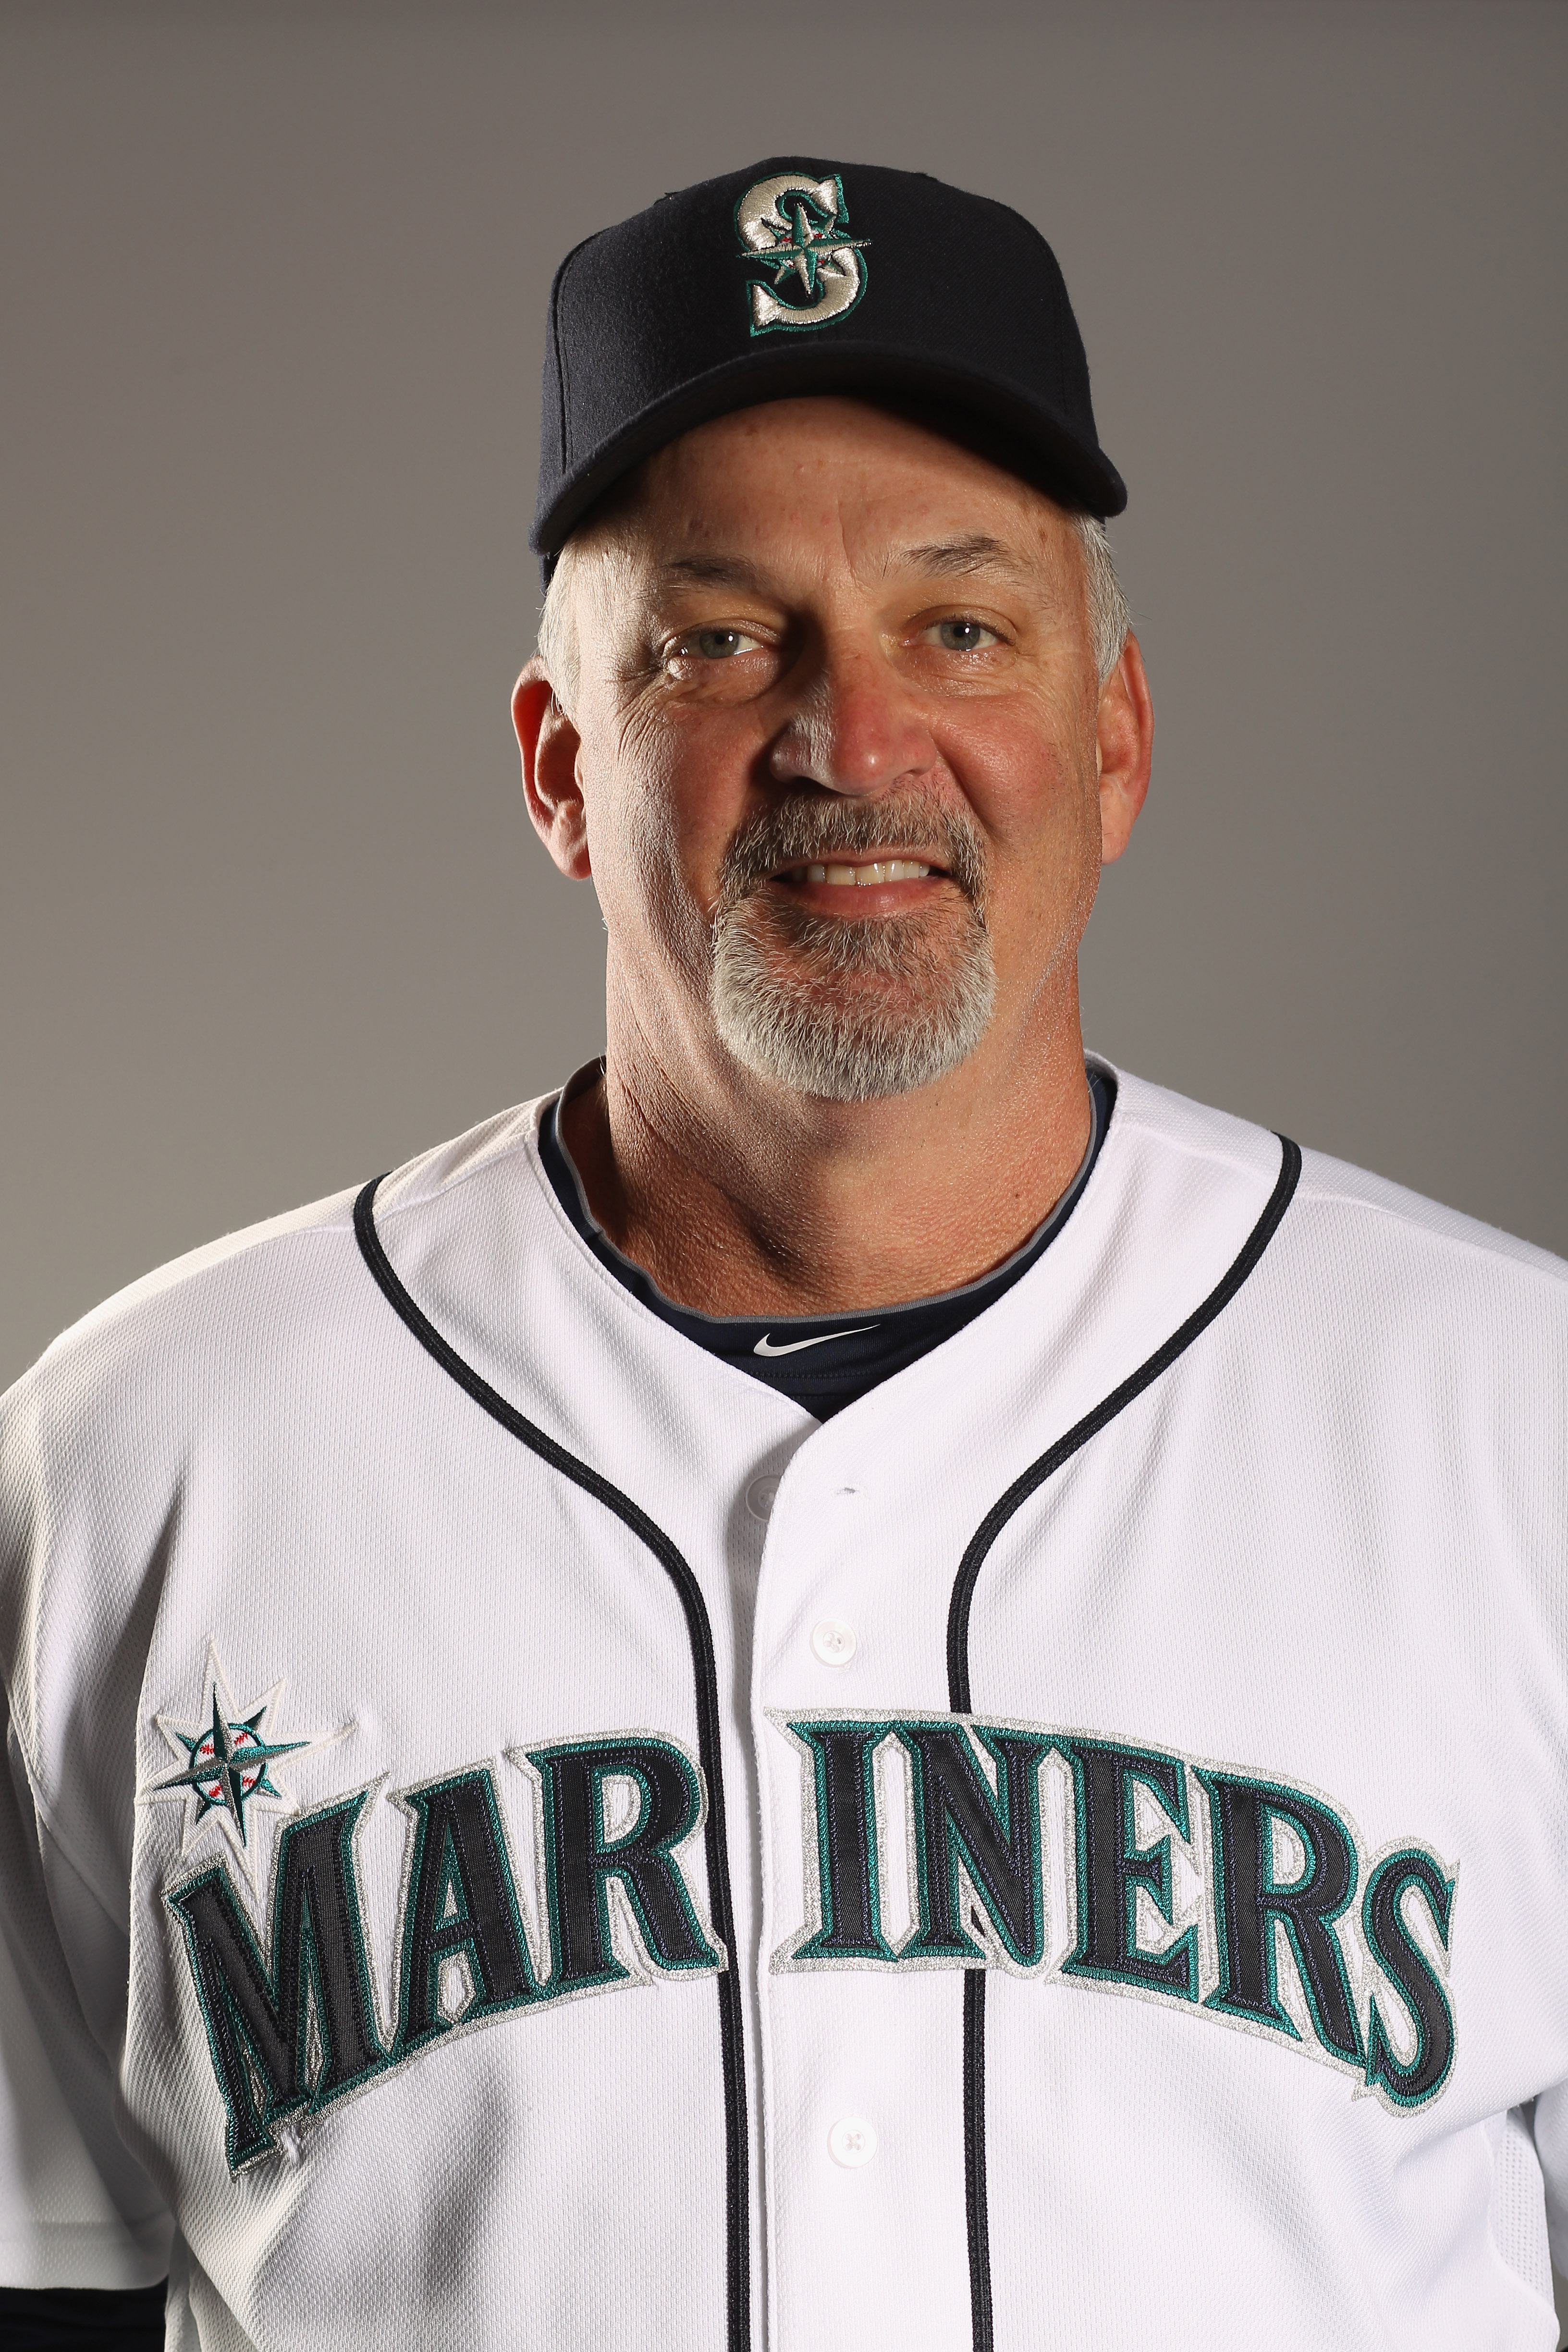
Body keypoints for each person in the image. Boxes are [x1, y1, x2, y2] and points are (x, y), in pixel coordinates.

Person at [0, 157, 1564, 2352]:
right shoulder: (135, 1461)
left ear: (1113, 743)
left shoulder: (1514, 1422)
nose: (853, 740)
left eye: (961, 628)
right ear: (561, 767)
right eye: (723, 640)